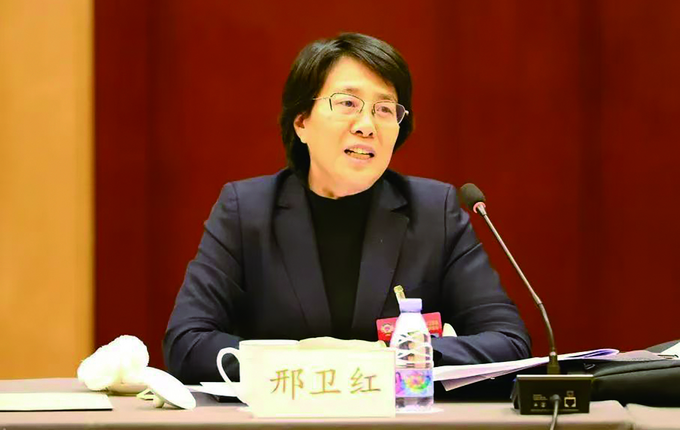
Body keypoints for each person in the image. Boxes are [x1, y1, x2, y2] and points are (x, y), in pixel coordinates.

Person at [163, 33, 531, 385]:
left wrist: (386, 359)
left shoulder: (435, 213)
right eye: (347, 104)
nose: (367, 125)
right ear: (302, 121)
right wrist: (311, 364)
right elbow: (187, 343)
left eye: (384, 109)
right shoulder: (246, 211)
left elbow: (509, 342)